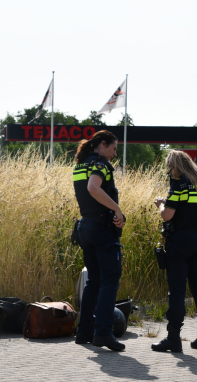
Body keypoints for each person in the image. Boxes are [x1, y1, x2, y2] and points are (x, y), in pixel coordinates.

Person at [152, 150, 197, 352]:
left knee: (177, 290)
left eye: (170, 167)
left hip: (181, 239)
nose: (170, 171)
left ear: (176, 166)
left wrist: (161, 204)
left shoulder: (180, 184)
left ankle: (173, 338)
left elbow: (168, 216)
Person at [72, 130, 126, 351]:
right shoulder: (100, 164)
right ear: (102, 145)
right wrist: (117, 209)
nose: (114, 154)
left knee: (93, 281)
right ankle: (103, 333)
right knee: (110, 280)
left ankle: (84, 332)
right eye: (113, 148)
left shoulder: (80, 165)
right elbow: (93, 188)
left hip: (86, 227)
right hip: (102, 229)